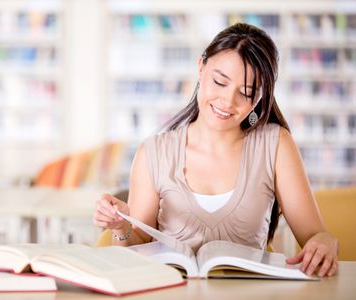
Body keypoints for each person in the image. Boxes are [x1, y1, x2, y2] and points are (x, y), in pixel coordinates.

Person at [94, 23, 338, 277]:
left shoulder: (276, 145)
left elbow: (315, 236)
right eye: (220, 82)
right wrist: (121, 226)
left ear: (259, 98)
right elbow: (137, 249)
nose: (227, 102)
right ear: (201, 67)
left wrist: (325, 242)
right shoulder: (154, 152)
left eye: (245, 93)